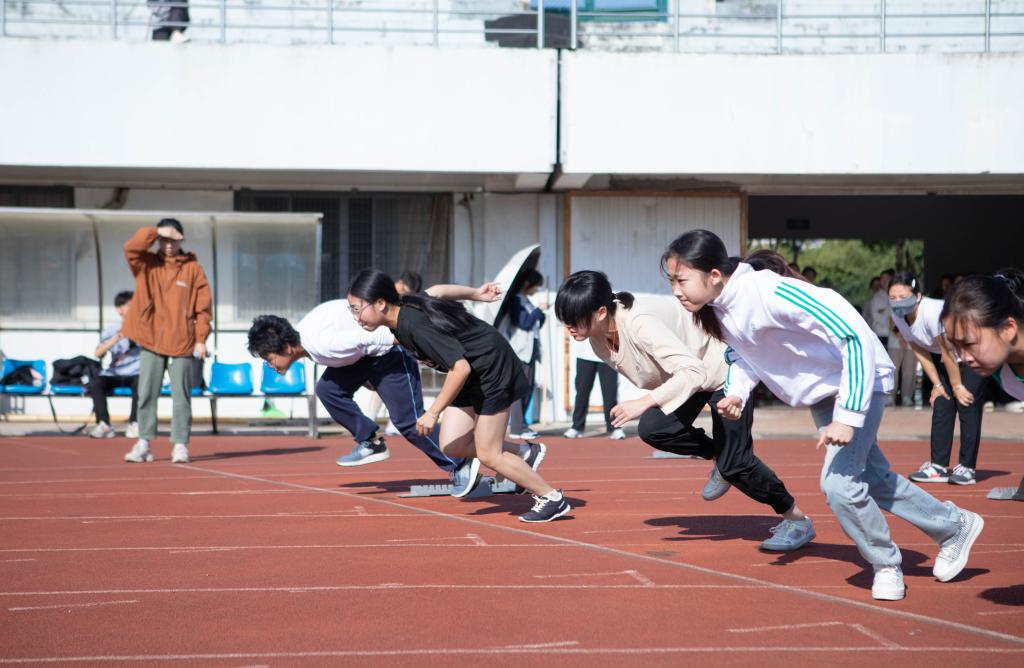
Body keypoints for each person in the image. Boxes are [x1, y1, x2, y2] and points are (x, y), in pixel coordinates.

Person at [665, 229, 983, 601]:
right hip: (824, 394)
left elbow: (853, 336)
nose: (675, 291)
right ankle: (954, 525)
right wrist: (737, 392)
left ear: (714, 275)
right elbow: (743, 356)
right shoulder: (718, 309)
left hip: (859, 381)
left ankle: (885, 563)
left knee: (839, 486)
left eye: (681, 280)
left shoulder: (770, 292)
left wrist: (847, 415)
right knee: (873, 479)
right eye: (671, 281)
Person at [555, 269, 811, 549]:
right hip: (691, 376)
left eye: (574, 318)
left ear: (601, 312)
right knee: (655, 428)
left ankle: (797, 520)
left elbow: (693, 370)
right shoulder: (597, 339)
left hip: (723, 370)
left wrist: (644, 402)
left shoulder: (639, 323)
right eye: (564, 319)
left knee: (736, 464)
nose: (569, 326)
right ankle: (718, 456)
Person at [348, 269, 567, 523]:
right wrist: (476, 294)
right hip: (471, 372)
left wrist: (433, 412)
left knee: (489, 453)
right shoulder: (404, 309)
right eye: (351, 310)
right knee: (452, 444)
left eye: (357, 309)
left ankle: (551, 498)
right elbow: (439, 290)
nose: (356, 317)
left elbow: (459, 368)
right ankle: (524, 453)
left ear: (380, 303)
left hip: (491, 368)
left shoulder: (414, 325)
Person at [246, 281, 502, 498]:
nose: (271, 366)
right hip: (366, 358)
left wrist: (422, 345)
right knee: (327, 389)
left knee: (408, 422)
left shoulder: (323, 344)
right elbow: (353, 349)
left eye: (269, 359)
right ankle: (370, 441)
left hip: (389, 354)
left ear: (286, 347)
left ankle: (460, 464)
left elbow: (380, 337)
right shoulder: (308, 338)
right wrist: (365, 379)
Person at [121, 218, 211, 464]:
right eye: (164, 239)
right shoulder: (146, 263)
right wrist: (156, 231)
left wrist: (201, 339)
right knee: (146, 393)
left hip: (183, 341)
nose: (169, 245)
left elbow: (204, 308)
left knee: (181, 396)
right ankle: (143, 443)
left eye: (173, 239)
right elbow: (131, 248)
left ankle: (180, 445)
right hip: (150, 339)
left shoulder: (193, 268)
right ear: (158, 239)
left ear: (181, 240)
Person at [889, 273, 990, 485]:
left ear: (917, 296)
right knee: (943, 403)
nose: (897, 302)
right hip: (950, 356)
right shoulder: (898, 315)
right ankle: (938, 466)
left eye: (903, 296)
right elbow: (919, 350)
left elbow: (947, 351)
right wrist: (937, 384)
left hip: (976, 350)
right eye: (893, 297)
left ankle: (967, 468)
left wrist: (958, 386)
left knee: (966, 403)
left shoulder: (932, 312)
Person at [941, 270, 1024, 501]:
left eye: (969, 344)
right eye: (956, 346)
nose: (963, 357)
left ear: (1008, 329)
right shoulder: (998, 366)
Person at [87, 291, 141, 439]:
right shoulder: (112, 329)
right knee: (96, 382)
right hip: (114, 373)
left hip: (136, 373)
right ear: (119, 309)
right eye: (129, 305)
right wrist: (118, 337)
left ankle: (135, 423)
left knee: (142, 382)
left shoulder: (144, 327)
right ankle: (104, 424)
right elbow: (98, 353)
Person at [502, 267, 547, 440]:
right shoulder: (516, 300)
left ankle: (522, 425)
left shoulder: (526, 300)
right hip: (520, 351)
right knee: (520, 388)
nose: (537, 289)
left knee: (528, 387)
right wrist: (538, 311)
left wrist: (540, 313)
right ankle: (516, 427)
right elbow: (525, 322)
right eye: (536, 286)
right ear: (528, 284)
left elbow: (537, 322)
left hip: (531, 349)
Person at [563, 337, 622, 440]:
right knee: (582, 392)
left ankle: (614, 427)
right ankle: (577, 427)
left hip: (609, 354)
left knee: (610, 394)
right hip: (584, 354)